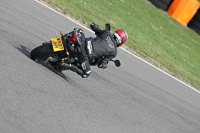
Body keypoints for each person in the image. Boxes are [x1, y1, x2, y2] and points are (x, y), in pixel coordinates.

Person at [61, 23, 128, 78]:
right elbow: (101, 64)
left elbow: (95, 27)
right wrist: (104, 65)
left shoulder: (107, 33)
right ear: (121, 42)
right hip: (85, 55)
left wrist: (94, 25)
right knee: (86, 73)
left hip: (82, 43)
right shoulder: (114, 52)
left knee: (78, 31)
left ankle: (62, 39)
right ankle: (66, 65)